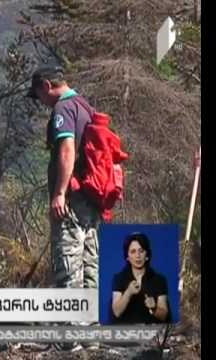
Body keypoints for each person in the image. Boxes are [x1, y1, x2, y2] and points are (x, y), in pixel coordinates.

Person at [27, 66, 101, 352]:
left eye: (38, 95)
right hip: (91, 199)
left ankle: (70, 338)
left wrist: (59, 193)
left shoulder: (63, 109)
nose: (40, 101)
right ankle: (91, 334)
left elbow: (67, 149)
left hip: (71, 198)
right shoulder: (85, 105)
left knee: (69, 264)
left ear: (47, 86)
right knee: (89, 263)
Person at [111, 232, 171, 324]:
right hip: (127, 333)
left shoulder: (159, 280)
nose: (137, 256)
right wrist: (128, 293)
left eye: (141, 251)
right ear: (127, 257)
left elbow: (164, 315)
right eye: (133, 251)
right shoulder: (119, 278)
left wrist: (154, 308)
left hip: (153, 334)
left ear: (147, 255)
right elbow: (117, 312)